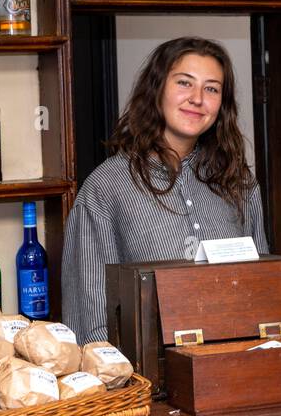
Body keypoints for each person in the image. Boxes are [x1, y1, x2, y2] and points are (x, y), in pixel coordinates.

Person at [62, 37, 268, 342]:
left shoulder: (239, 182)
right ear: (156, 89)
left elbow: (263, 291)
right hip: (146, 381)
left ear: (221, 105)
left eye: (211, 88)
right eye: (184, 83)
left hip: (235, 368)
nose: (197, 98)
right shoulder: (105, 188)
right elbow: (90, 318)